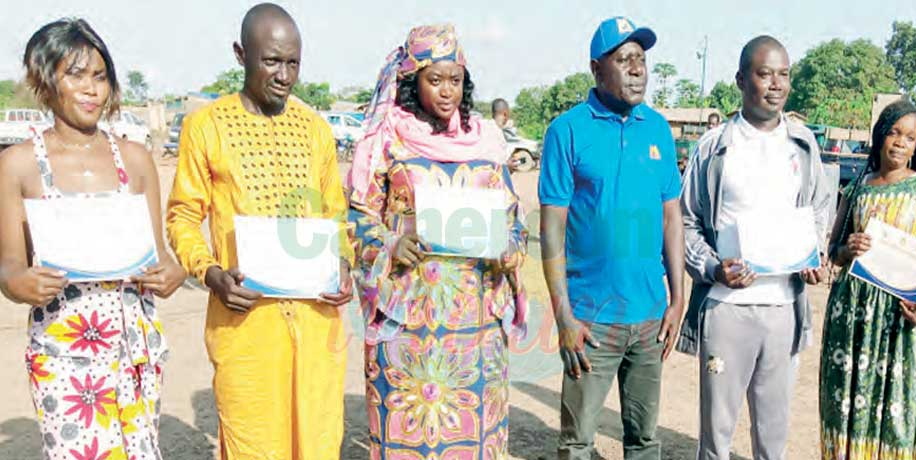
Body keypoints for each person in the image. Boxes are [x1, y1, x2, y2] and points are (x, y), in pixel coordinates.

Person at [165, 4, 354, 459]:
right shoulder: (206, 126)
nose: (284, 75)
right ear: (240, 54)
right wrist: (211, 274)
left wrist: (343, 263)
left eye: (293, 63)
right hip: (246, 324)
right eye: (271, 61)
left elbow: (335, 215)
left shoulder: (316, 130)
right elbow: (183, 217)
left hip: (316, 325)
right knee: (254, 446)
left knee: (319, 444)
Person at [0, 18, 185, 459]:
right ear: (43, 81)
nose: (92, 89)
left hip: (135, 349)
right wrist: (20, 284)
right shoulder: (18, 165)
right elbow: (9, 267)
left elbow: (160, 254)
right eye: (75, 74)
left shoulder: (136, 160)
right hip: (64, 352)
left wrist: (172, 273)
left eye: (100, 76)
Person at [348, 24, 528, 459]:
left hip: (476, 328)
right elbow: (358, 217)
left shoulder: (485, 140)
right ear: (413, 82)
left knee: (473, 437)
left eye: (455, 80)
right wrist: (390, 246)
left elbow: (514, 220)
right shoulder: (388, 139)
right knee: (410, 434)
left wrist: (511, 251)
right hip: (409, 323)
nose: (447, 91)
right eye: (435, 79)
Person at [678, 36, 831, 460]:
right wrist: (712, 268)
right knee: (716, 437)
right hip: (727, 310)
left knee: (773, 437)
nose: (776, 84)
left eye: (784, 74)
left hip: (784, 309)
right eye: (765, 74)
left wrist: (813, 253)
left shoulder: (803, 145)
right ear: (742, 80)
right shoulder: (713, 147)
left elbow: (819, 210)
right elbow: (686, 223)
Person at [539, 16, 685, 460]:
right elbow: (551, 229)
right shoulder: (567, 131)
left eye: (641, 60)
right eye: (624, 60)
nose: (637, 69)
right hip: (590, 323)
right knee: (578, 441)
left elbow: (671, 217)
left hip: (649, 319)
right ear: (596, 69)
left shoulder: (658, 128)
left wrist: (677, 299)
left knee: (644, 440)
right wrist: (563, 316)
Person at [820, 99, 916, 460]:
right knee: (852, 402)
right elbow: (832, 250)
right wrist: (847, 249)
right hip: (854, 320)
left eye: (910, 137)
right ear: (880, 136)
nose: (900, 142)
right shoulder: (858, 188)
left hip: (903, 317)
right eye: (894, 132)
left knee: (900, 406)